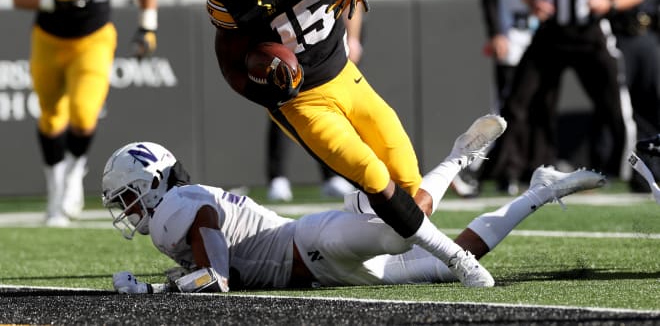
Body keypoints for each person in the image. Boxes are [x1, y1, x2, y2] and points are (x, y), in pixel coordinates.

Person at [207, 0, 508, 281]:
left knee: (410, 190)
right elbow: (232, 70)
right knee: (373, 173)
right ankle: (456, 259)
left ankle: (455, 159)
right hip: (300, 103)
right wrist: (268, 88)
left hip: (346, 76)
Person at [102, 136, 606, 293]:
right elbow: (219, 268)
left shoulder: (176, 206)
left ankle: (456, 156)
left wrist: (155, 290)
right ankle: (540, 193)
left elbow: (216, 280)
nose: (126, 209)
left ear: (152, 185)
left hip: (312, 243)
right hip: (327, 273)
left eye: (127, 196)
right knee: (446, 254)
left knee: (402, 233)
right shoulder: (184, 205)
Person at [12, 0, 158, 227]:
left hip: (94, 37)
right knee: (50, 118)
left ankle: (74, 175)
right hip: (49, 38)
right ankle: (54, 191)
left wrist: (148, 24)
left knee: (83, 114)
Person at [490, 0, 645, 189]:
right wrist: (534, 2)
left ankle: (628, 171)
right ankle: (509, 170)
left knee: (614, 103)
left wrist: (610, 3)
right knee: (519, 99)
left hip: (591, 33)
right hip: (552, 34)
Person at [265, 0, 358, 201]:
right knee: (282, 107)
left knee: (333, 109)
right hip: (288, 42)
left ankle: (332, 173)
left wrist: (353, 38)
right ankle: (278, 176)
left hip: (324, 42)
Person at [477, 0, 556, 196]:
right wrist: (496, 31)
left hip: (545, 34)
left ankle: (540, 167)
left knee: (544, 102)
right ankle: (507, 170)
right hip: (513, 31)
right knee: (511, 104)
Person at [602, 0, 660, 192]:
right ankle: (635, 172)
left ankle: (655, 168)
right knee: (627, 109)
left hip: (646, 34)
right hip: (619, 35)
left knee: (653, 102)